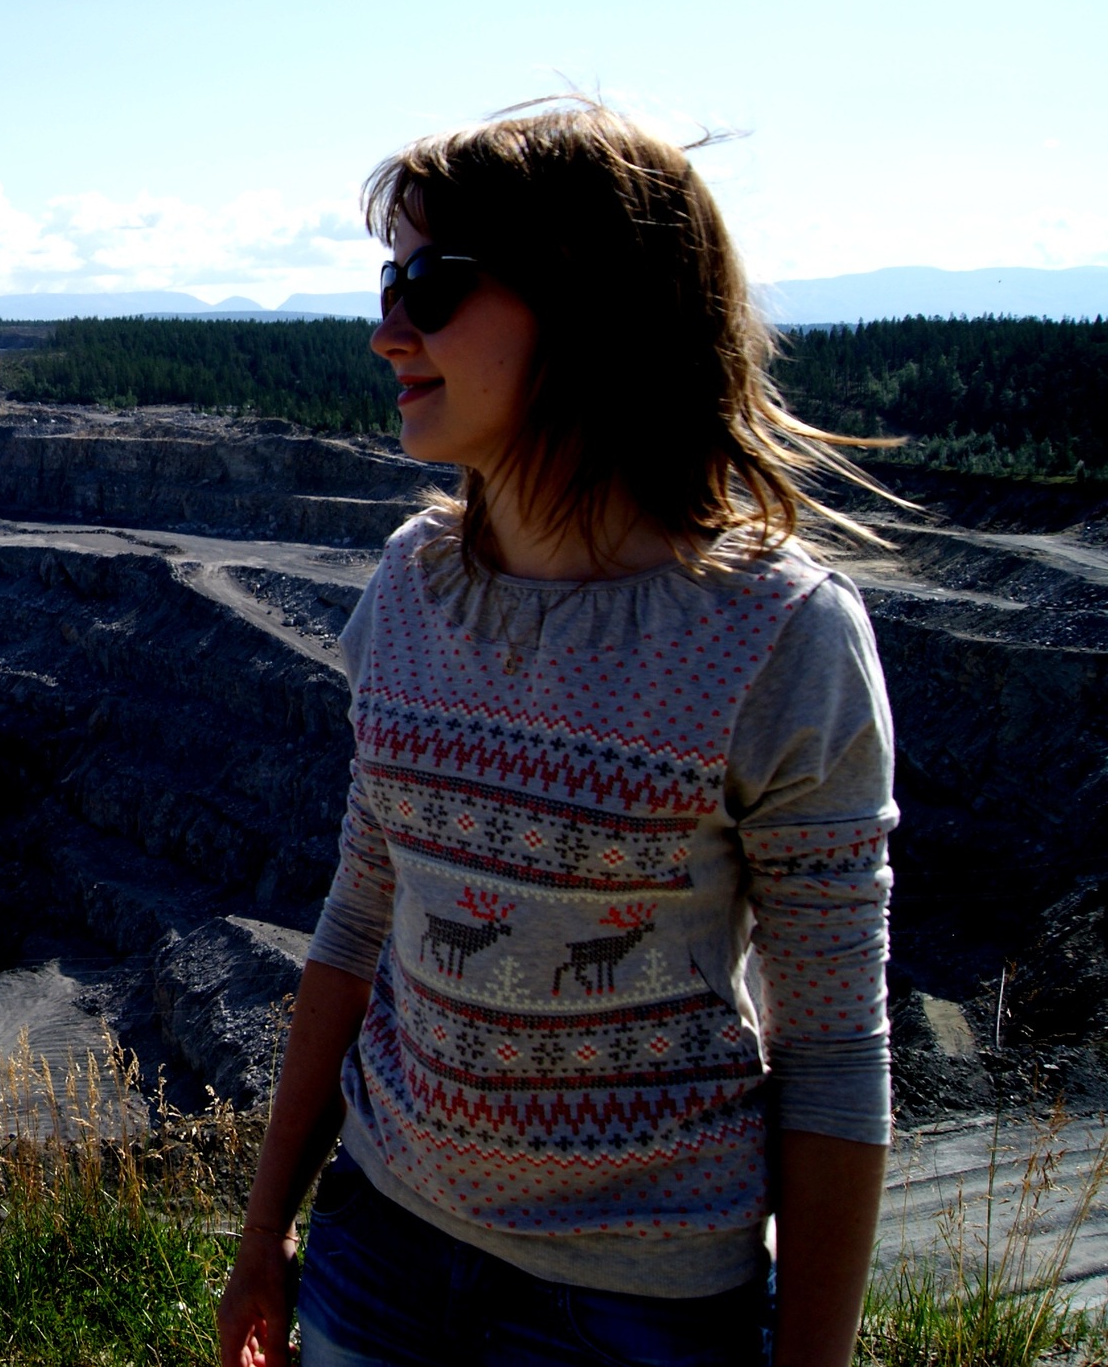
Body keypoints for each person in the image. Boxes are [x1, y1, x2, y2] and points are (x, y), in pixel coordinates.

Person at [215, 103, 898, 1367]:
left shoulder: (777, 635)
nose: (387, 330)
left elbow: (830, 1054)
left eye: (432, 283)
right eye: (387, 284)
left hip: (635, 1312)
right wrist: (265, 1232)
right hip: (377, 1247)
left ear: (591, 304)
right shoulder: (408, 589)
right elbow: (357, 921)